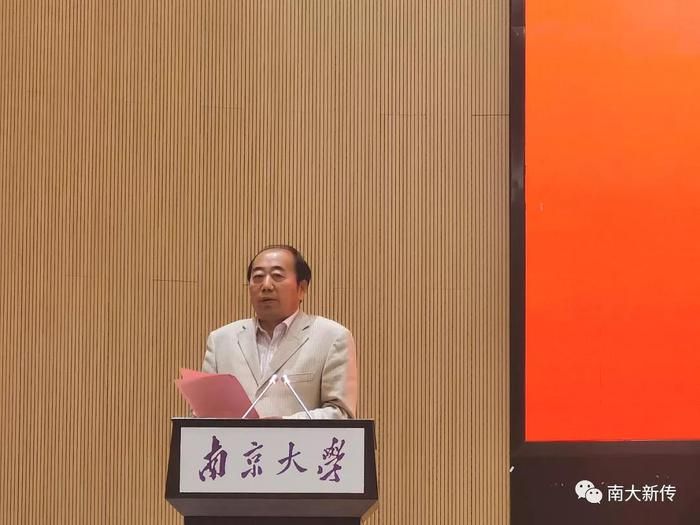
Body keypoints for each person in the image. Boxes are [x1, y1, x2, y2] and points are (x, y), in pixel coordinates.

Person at [201, 245, 357, 419]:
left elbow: (340, 413)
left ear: (302, 288)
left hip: (296, 438)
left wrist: (283, 425)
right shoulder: (221, 340)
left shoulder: (332, 338)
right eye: (258, 277)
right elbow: (203, 414)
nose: (266, 285)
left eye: (277, 276)